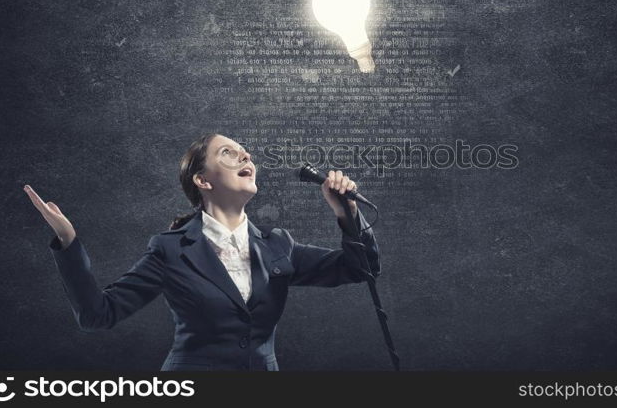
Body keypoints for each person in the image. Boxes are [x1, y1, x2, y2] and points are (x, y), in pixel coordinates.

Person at [23, 132, 380, 371]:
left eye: (244, 152)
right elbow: (98, 314)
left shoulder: (278, 244)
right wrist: (68, 241)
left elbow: (360, 269)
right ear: (203, 180)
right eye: (228, 152)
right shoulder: (170, 249)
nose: (245, 154)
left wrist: (346, 212)